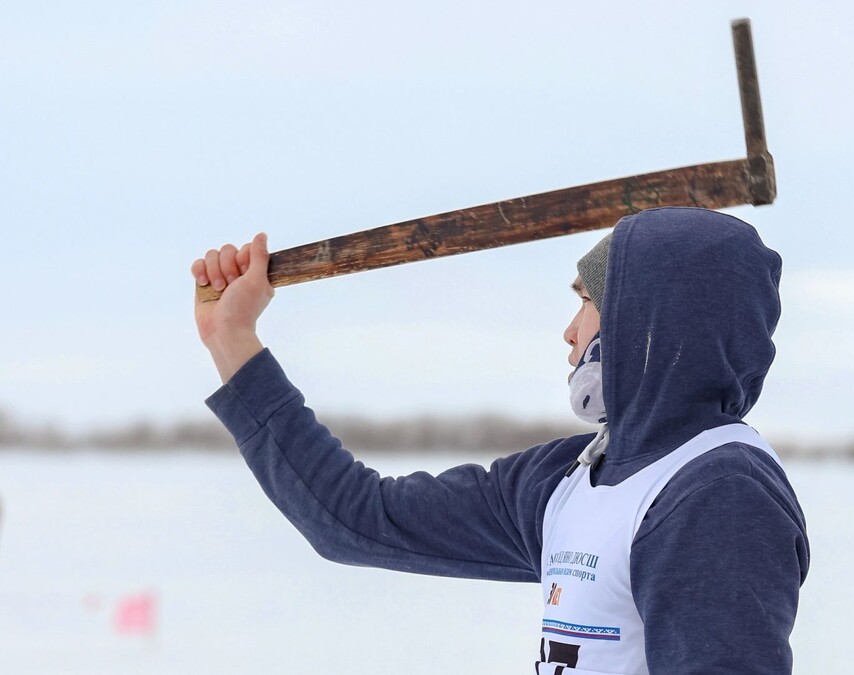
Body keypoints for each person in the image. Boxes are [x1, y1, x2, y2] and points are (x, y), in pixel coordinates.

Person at [192, 206, 810, 674]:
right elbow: (356, 519)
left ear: (647, 318)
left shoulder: (717, 496)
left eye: (589, 302)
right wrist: (232, 338)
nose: (569, 334)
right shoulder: (575, 480)